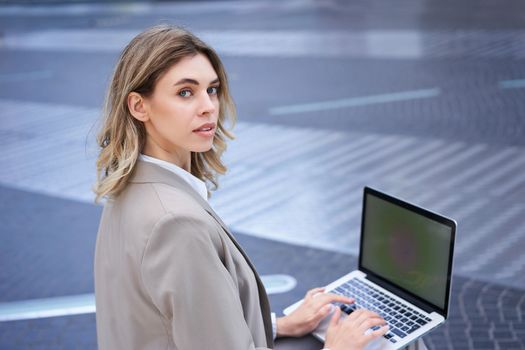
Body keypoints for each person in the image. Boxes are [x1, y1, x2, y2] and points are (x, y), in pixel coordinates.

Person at [93, 25, 391, 350]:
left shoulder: (129, 190)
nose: (208, 106)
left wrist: (280, 325)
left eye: (212, 89)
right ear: (139, 106)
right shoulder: (176, 223)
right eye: (185, 92)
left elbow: (174, 324)